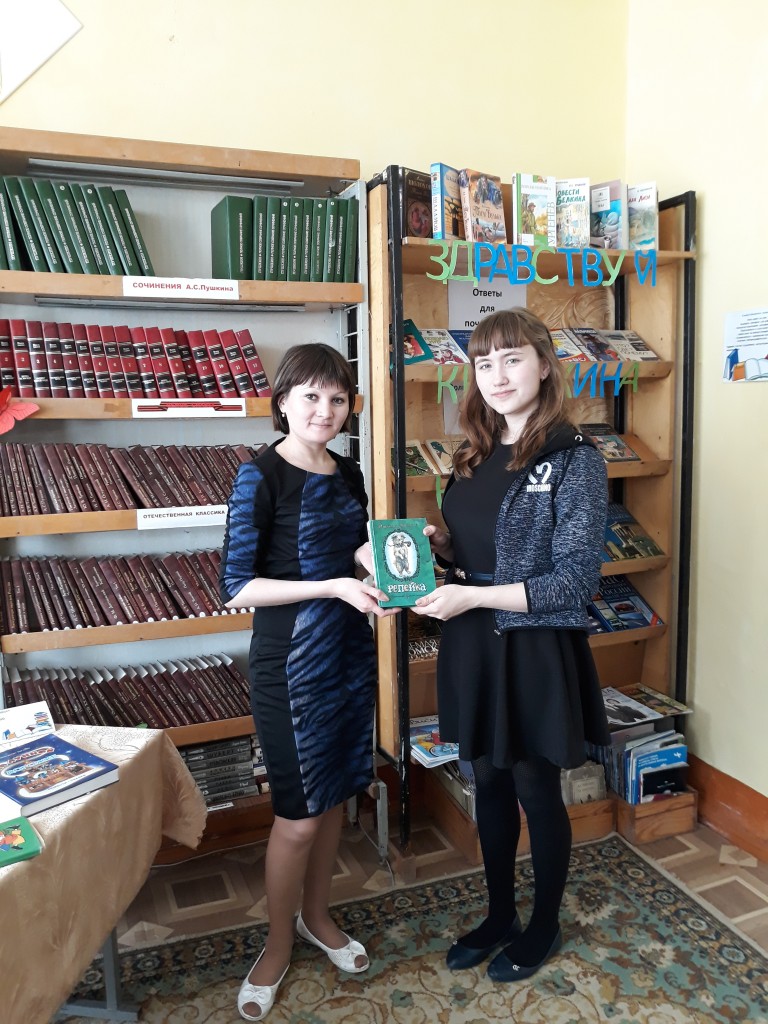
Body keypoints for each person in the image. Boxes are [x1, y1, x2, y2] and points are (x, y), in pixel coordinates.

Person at [412, 308, 610, 983]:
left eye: (512, 359)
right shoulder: (473, 451)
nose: (496, 376)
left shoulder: (575, 459)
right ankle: (499, 914)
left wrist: (473, 597)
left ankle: (543, 922)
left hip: (529, 647)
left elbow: (574, 583)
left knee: (534, 786)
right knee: (486, 780)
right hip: (472, 642)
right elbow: (477, 550)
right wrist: (442, 547)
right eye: (483, 363)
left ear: (545, 365)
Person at [219, 343, 396, 1021]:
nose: (325, 410)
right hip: (290, 665)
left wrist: (388, 563)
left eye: (338, 398)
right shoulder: (259, 476)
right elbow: (238, 586)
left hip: (348, 655)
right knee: (297, 817)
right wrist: (334, 586)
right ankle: (276, 943)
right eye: (311, 396)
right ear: (283, 402)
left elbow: (353, 548)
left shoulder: (348, 471)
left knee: (334, 800)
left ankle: (318, 918)